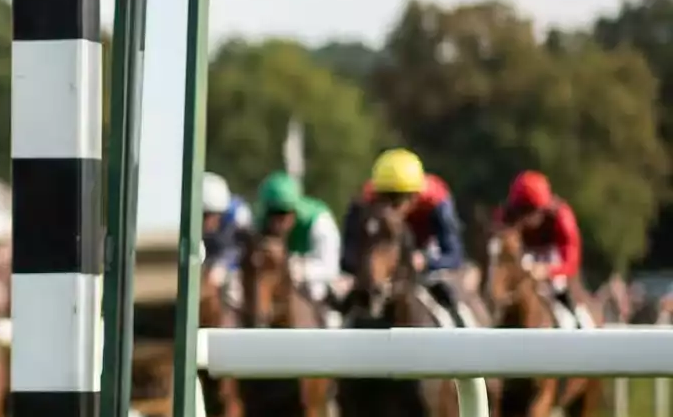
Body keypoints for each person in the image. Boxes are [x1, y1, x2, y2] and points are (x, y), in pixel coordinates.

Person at [343, 148, 469, 324]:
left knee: (454, 297)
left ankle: (467, 331)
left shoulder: (437, 201)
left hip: (426, 265)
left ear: (416, 196)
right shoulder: (363, 204)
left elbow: (455, 255)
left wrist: (426, 261)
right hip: (379, 273)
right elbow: (346, 254)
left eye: (398, 199)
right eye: (385, 198)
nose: (390, 208)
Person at [495, 170, 586, 326]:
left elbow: (571, 262)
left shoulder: (561, 216)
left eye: (531, 211)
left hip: (556, 270)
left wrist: (547, 271)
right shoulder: (506, 215)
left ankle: (582, 326)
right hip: (524, 268)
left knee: (568, 298)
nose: (525, 219)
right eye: (521, 212)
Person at [251, 172, 342, 303]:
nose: (277, 222)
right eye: (272, 213)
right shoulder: (259, 223)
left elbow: (331, 268)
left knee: (320, 292)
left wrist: (299, 269)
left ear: (294, 210)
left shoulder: (319, 222)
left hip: (314, 282)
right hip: (275, 282)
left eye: (284, 213)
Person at [200, 172, 251, 280]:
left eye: (217, 215)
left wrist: (221, 265)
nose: (214, 222)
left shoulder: (237, 217)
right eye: (207, 216)